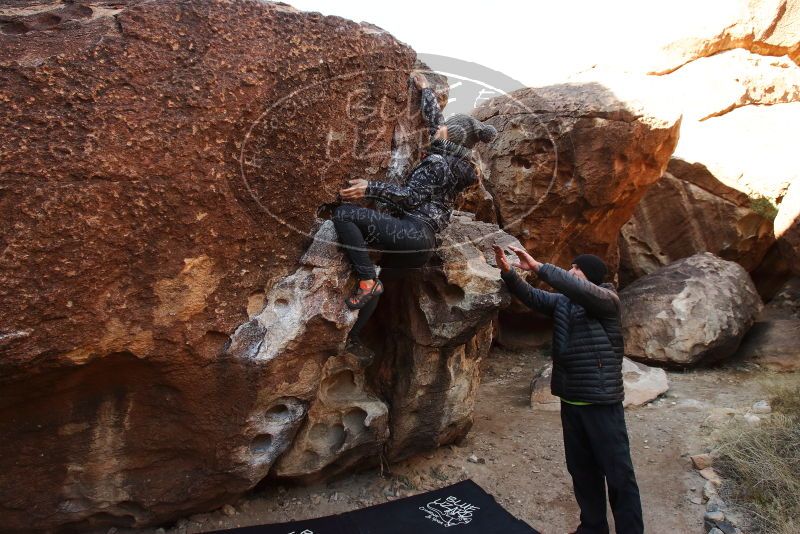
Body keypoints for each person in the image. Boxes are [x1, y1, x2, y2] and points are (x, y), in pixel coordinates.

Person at [333, 71, 497, 342]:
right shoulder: (461, 165)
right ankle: (353, 337)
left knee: (344, 214)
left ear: (449, 138)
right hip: (421, 247)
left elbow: (409, 197)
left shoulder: (437, 162)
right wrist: (426, 91)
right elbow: (438, 126)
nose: (437, 132)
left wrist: (369, 187)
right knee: (376, 269)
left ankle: (367, 283)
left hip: (411, 233)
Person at [491, 243, 644, 534]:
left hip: (601, 404)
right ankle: (592, 528)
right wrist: (509, 273)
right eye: (571, 267)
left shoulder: (607, 301)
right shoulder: (564, 302)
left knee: (619, 476)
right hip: (572, 401)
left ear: (591, 277)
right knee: (583, 472)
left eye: (577, 269)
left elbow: (579, 290)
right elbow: (533, 297)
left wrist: (539, 267)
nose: (572, 271)